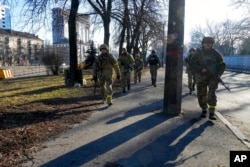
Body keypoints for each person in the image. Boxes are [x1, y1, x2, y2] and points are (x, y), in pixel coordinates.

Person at [190, 37, 226, 120]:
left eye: (210, 43)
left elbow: (222, 64)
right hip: (201, 77)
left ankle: (212, 113)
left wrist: (219, 74)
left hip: (212, 77)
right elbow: (192, 64)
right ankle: (204, 109)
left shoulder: (216, 53)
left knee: (211, 94)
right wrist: (200, 69)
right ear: (203, 43)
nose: (208, 44)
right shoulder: (198, 53)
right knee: (201, 94)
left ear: (212, 44)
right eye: (206, 42)